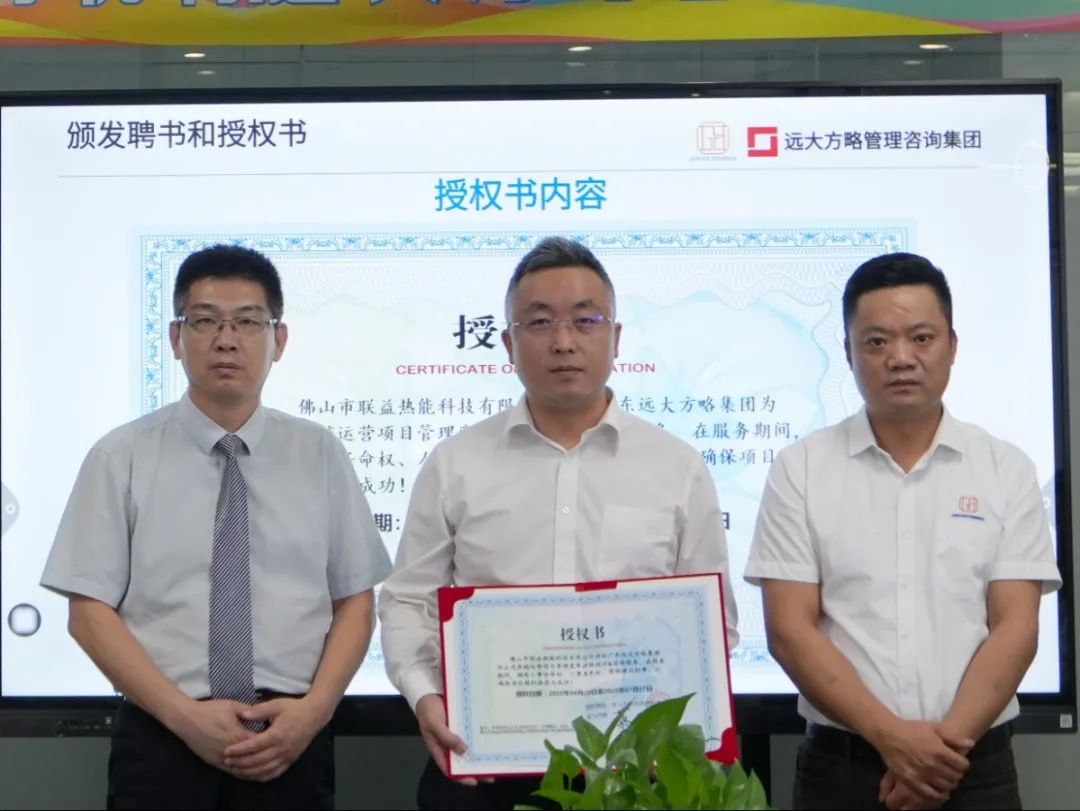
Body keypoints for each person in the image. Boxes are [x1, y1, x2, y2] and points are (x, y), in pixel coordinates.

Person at [378, 235, 740, 811]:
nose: (564, 341)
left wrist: (676, 733)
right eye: (540, 322)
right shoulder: (455, 464)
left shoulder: (676, 468)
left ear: (616, 338)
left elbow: (712, 620)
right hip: (485, 764)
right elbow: (406, 601)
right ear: (508, 343)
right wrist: (426, 698)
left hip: (635, 773)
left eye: (586, 320)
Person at [40, 244, 392, 810]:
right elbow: (88, 613)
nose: (227, 340)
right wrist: (185, 719)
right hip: (161, 733)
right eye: (205, 321)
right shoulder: (120, 456)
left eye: (249, 322)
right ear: (176, 338)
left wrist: (314, 712)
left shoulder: (319, 453)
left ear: (279, 340)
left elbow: (355, 598)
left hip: (290, 734)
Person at [745, 252, 1062, 810]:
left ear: (952, 346)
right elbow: (790, 630)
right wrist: (893, 740)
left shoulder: (1005, 469)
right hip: (842, 770)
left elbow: (1016, 627)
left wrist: (935, 757)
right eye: (876, 342)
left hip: (972, 767)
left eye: (921, 338)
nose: (900, 359)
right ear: (848, 352)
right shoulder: (801, 469)